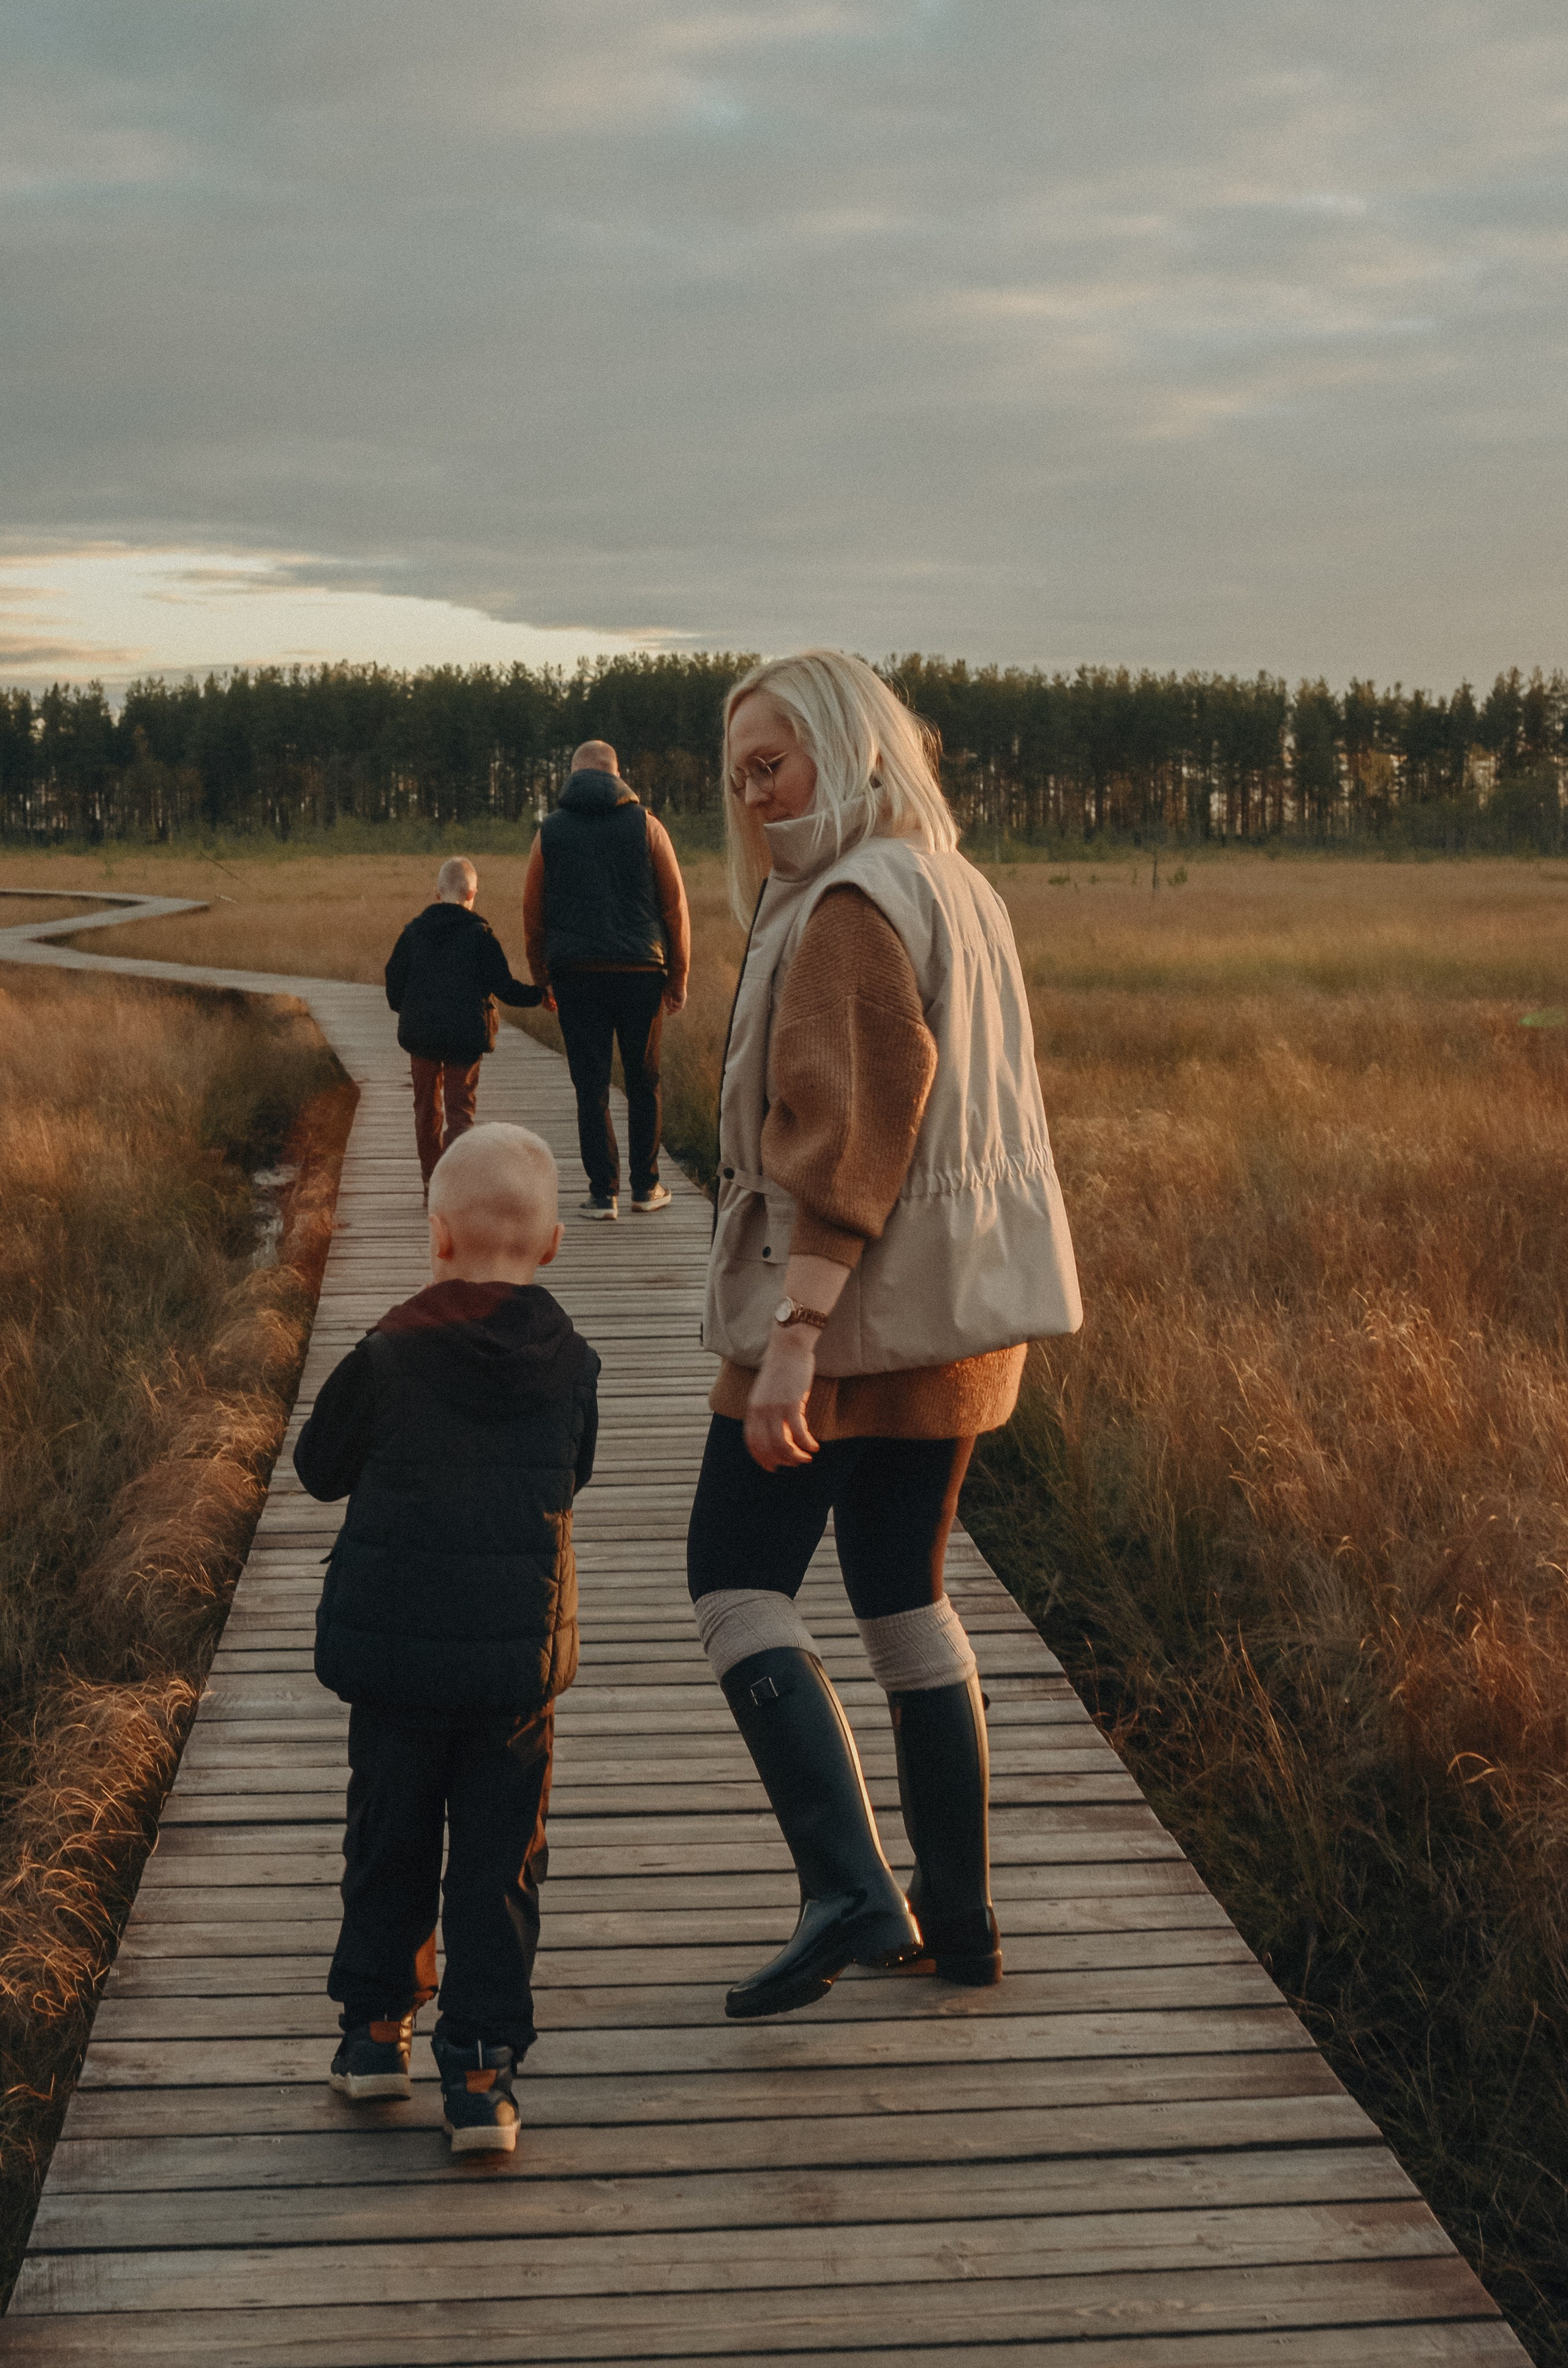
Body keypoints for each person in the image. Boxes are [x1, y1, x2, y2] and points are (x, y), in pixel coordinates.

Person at [687, 649, 1082, 2021]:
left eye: (774, 760)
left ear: (854, 751)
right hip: (958, 1316)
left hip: (847, 1307)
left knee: (730, 1582)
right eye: (739, 772)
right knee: (899, 1587)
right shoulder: (957, 888)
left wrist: (793, 1329)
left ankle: (850, 1887)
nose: (753, 792)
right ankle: (960, 1919)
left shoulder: (849, 906)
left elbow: (845, 1131)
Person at [294, 1124, 599, 2152]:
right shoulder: (575, 1367)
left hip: (395, 1666)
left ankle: (379, 2039)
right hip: (514, 1669)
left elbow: (317, 1469)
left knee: (390, 1841)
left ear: (435, 1236)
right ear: (553, 1244)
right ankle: (481, 2076)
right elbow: (577, 1474)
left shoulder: (387, 1353)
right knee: (499, 1867)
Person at [522, 740, 690, 1220]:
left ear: (574, 774)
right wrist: (677, 976)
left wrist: (542, 978)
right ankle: (647, 1186)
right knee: (644, 1081)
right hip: (642, 971)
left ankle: (603, 1193)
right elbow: (674, 908)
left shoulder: (549, 831)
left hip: (576, 974)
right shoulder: (648, 826)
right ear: (618, 773)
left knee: (590, 1084)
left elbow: (533, 911)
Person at [385, 857, 542, 1195]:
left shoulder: (413, 933)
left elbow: (393, 982)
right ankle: (454, 1189)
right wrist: (541, 995)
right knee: (460, 1112)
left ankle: (432, 1183)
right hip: (464, 1039)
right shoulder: (481, 936)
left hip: (421, 1036)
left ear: (438, 893)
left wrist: (407, 1010)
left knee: (426, 1110)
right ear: (472, 893)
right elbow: (505, 988)